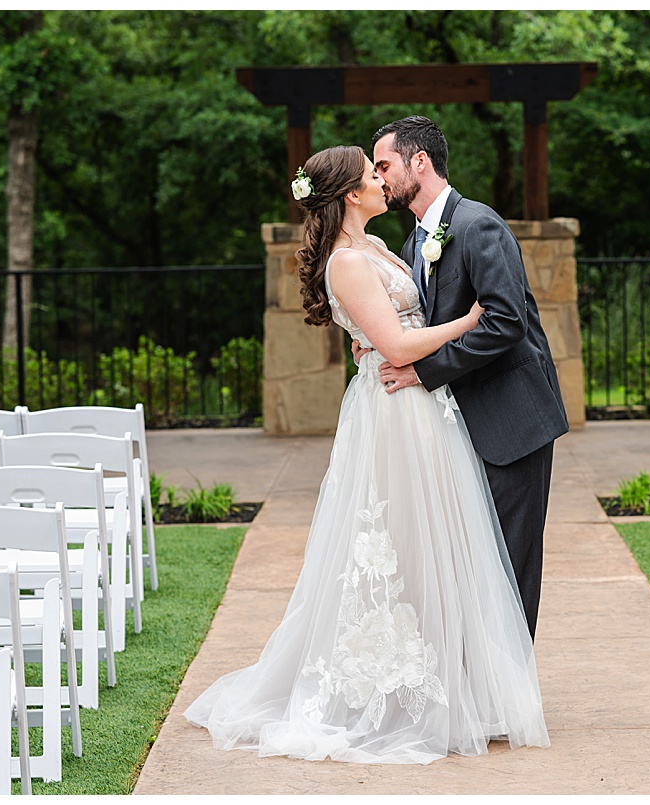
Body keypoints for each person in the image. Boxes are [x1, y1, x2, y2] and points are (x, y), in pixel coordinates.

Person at [184, 145, 549, 764]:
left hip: (422, 408)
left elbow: (394, 327)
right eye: (371, 174)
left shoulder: (384, 248)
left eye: (384, 167)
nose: (382, 181)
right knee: (397, 544)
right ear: (352, 195)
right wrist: (467, 322)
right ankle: (394, 689)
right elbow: (398, 341)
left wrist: (398, 343)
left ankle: (455, 683)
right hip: (394, 413)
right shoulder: (349, 262)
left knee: (437, 543)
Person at [366, 116, 569, 640]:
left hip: (511, 420)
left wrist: (423, 371)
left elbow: (505, 322)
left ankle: (512, 696)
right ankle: (480, 686)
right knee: (471, 559)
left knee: (511, 561)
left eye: (384, 165)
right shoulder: (413, 243)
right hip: (456, 426)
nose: (379, 177)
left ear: (420, 161)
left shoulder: (479, 225)